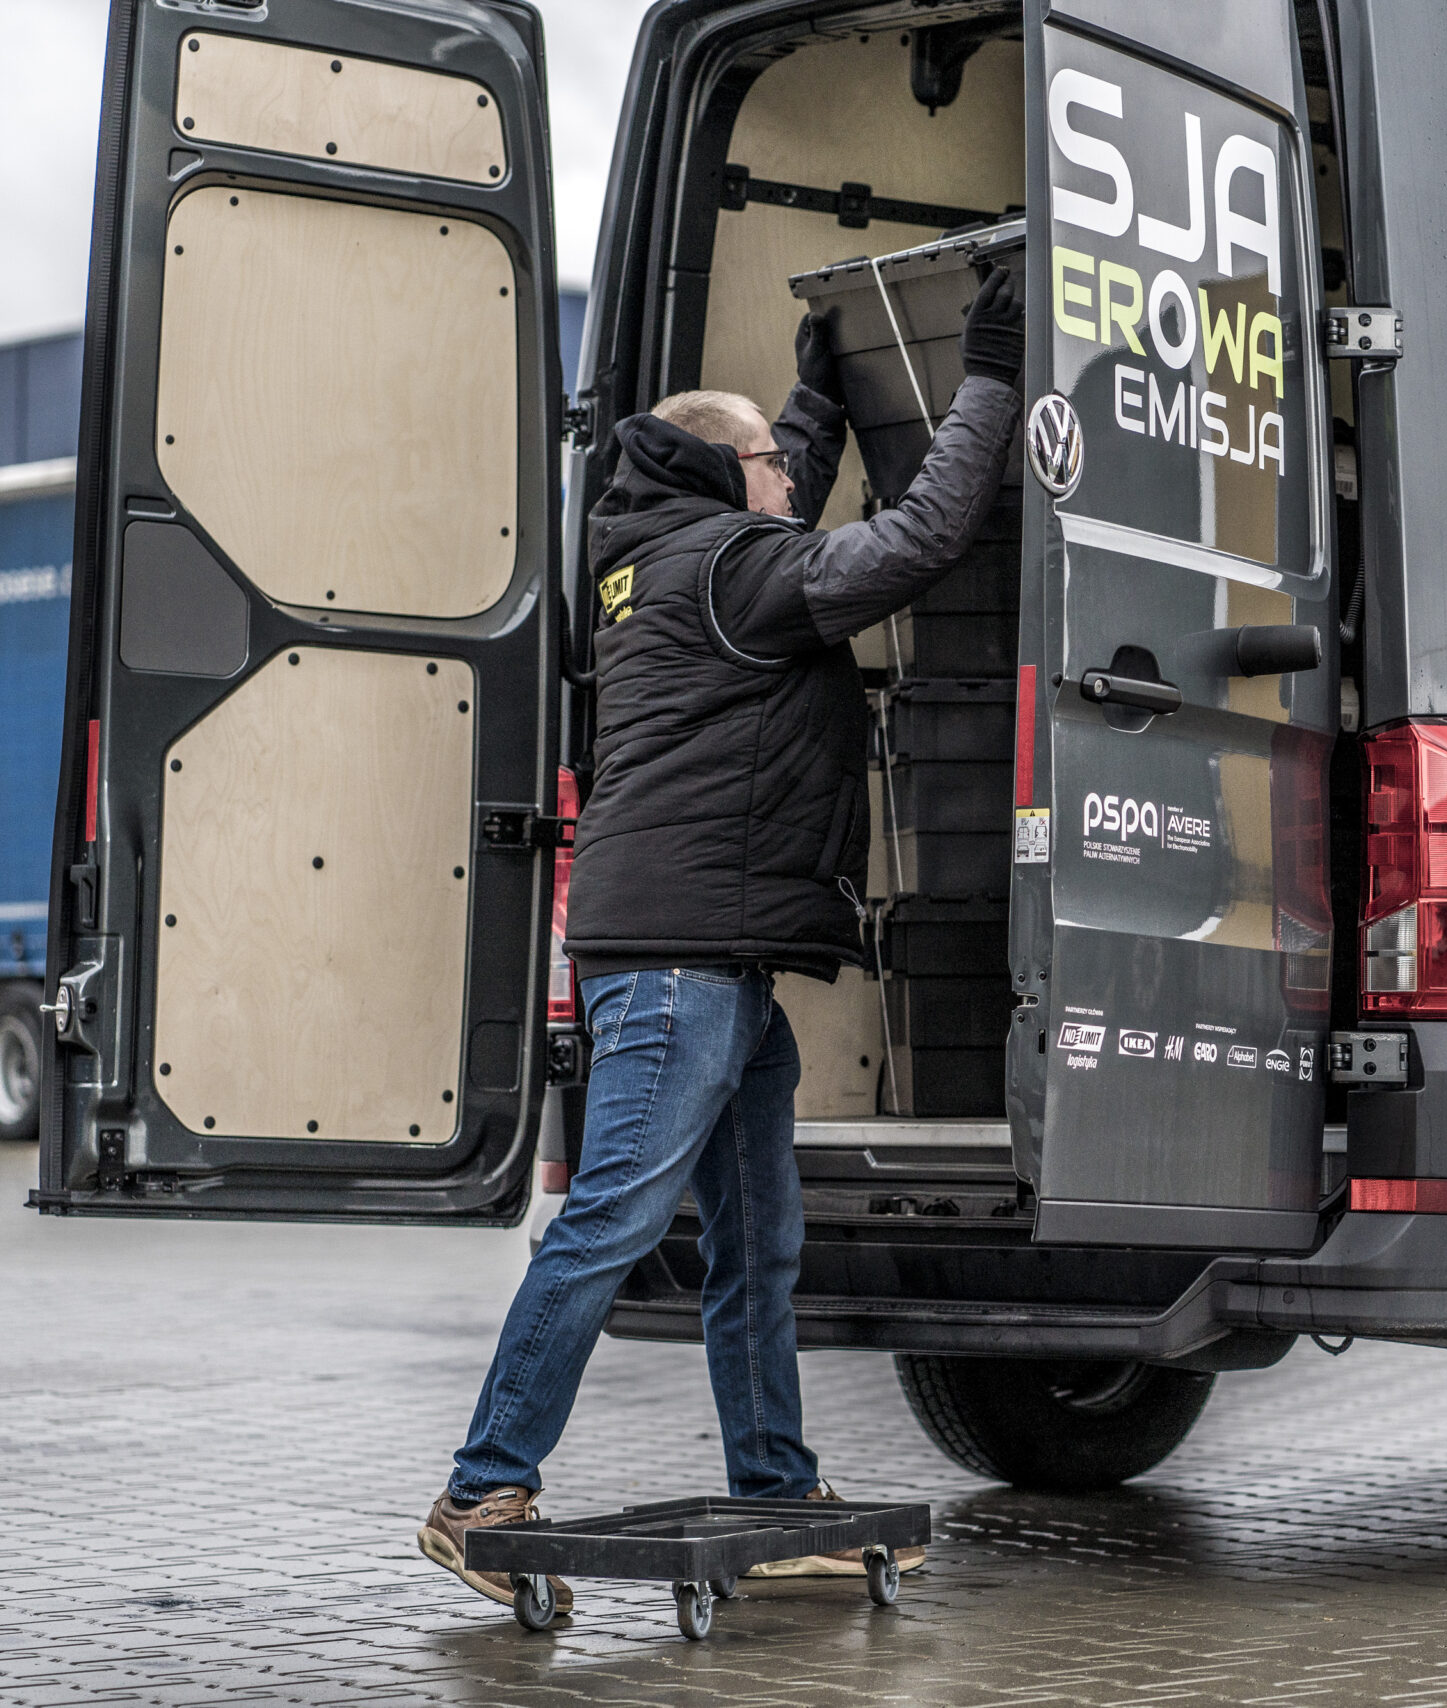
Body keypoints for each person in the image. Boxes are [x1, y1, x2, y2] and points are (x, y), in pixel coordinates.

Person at [416, 267, 1025, 1618]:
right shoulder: (736, 571)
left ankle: (774, 1486)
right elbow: (916, 541)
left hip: (711, 963)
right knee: (611, 1222)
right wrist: (987, 377)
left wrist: (816, 396)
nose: (788, 477)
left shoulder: (655, 560)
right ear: (720, 474)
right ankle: (481, 1489)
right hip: (678, 967)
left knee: (760, 1244)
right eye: (770, 461)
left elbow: (767, 481)